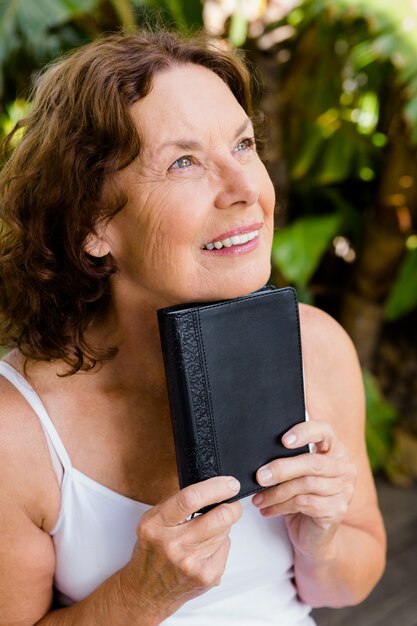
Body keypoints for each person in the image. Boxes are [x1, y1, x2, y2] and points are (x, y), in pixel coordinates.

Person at [0, 29, 386, 626]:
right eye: (184, 162)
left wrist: (322, 540)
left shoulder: (317, 347)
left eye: (243, 145)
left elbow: (346, 586)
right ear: (91, 224)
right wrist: (141, 595)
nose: (245, 192)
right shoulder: (17, 430)